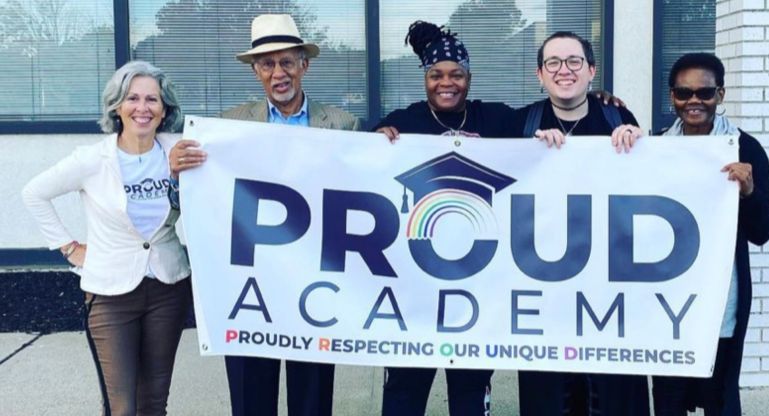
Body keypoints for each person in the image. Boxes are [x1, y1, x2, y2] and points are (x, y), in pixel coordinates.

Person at [168, 14, 359, 416]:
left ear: (303, 65)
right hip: (249, 284)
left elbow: (362, 189)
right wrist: (177, 173)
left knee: (312, 395)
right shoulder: (226, 126)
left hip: (314, 283)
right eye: (267, 64)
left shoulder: (343, 124)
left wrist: (387, 145)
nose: (278, 73)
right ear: (256, 72)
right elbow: (194, 199)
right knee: (251, 392)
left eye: (287, 62)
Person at [22, 60, 191, 415]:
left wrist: (178, 177)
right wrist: (69, 247)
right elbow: (34, 194)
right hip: (110, 295)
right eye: (132, 98)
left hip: (167, 287)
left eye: (152, 100)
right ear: (117, 106)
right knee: (122, 407)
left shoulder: (180, 150)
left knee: (154, 403)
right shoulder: (91, 159)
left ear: (165, 110)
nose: (142, 108)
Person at [374, 21, 523, 416]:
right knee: (404, 392)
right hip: (416, 290)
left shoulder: (498, 120)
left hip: (476, 291)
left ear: (469, 78)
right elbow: (359, 170)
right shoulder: (402, 123)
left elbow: (555, 123)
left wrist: (599, 101)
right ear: (424, 78)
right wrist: (376, 141)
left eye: (456, 74)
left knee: (471, 394)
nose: (447, 82)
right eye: (436, 74)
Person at [516, 31, 647, 416]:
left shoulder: (616, 117)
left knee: (612, 394)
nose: (564, 70)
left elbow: (649, 184)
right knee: (552, 396)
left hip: (608, 293)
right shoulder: (521, 124)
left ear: (591, 71)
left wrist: (640, 143)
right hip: (544, 294)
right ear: (539, 74)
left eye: (574, 61)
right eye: (553, 63)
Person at [651, 53, 769, 416]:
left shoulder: (745, 149)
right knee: (668, 397)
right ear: (672, 95)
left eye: (705, 93)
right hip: (667, 298)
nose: (694, 101)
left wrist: (750, 192)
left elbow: (764, 231)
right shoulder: (656, 148)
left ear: (720, 95)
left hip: (721, 299)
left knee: (720, 398)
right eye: (683, 92)